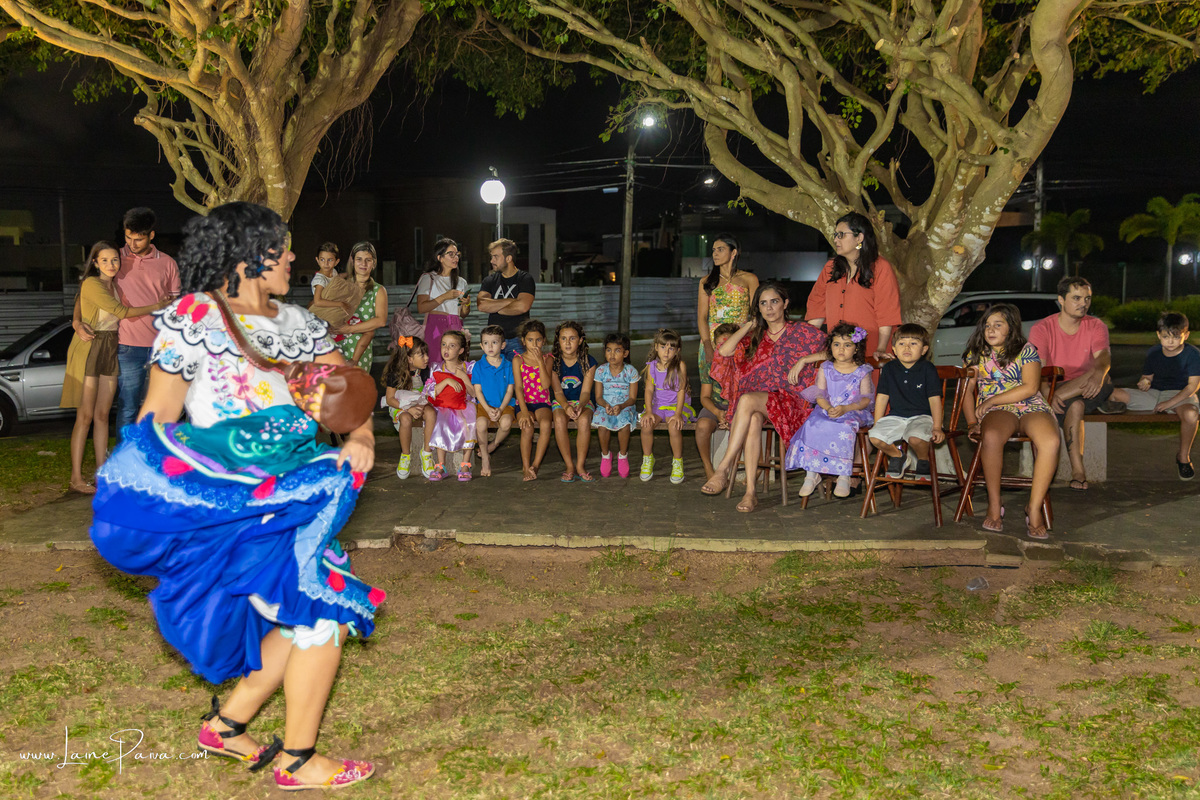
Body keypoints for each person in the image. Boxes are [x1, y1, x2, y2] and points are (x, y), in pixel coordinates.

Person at [89, 202, 380, 791]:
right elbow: (158, 416)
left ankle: (227, 726)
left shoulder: (301, 324)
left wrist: (364, 433)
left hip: (296, 498)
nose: (295, 257)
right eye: (285, 247)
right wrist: (149, 489)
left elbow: (348, 389)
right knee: (322, 614)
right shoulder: (196, 316)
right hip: (236, 504)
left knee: (306, 617)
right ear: (252, 255)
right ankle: (298, 761)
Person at [701, 282, 826, 511]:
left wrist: (804, 360)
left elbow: (835, 349)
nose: (769, 308)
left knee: (747, 401)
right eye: (763, 303)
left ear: (785, 303)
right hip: (762, 403)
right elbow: (725, 351)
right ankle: (750, 493)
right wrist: (749, 324)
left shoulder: (801, 332)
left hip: (792, 401)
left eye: (774, 301)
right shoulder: (754, 337)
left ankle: (723, 469)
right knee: (753, 418)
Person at [60, 241, 170, 493]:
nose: (111, 264)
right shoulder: (92, 283)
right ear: (95, 263)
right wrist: (157, 306)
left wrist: (76, 320)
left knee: (102, 416)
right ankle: (76, 479)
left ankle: (103, 475)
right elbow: (119, 311)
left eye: (115, 260)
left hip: (111, 346)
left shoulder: (114, 284)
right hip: (91, 347)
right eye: (105, 260)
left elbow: (78, 304)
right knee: (85, 416)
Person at [73, 207, 180, 435]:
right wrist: (76, 321)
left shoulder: (168, 263)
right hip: (127, 346)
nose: (132, 244)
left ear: (151, 235)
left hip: (162, 347)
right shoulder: (114, 258)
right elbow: (87, 290)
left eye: (138, 239)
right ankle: (125, 457)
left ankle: (154, 455)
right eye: (128, 237)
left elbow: (176, 304)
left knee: (160, 407)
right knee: (128, 406)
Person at [961, 303, 1058, 540]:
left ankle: (1033, 508)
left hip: (1030, 404)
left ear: (1011, 328)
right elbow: (966, 391)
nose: (990, 330)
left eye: (998, 325)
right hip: (999, 411)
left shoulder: (1026, 350)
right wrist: (972, 421)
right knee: (991, 436)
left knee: (1051, 440)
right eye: (987, 325)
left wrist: (992, 400)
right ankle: (995, 504)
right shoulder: (976, 353)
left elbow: (1030, 387)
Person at [1028, 276, 1125, 490]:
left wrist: (1098, 372)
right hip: (1058, 385)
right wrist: (1048, 394)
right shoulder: (1042, 328)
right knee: (1076, 405)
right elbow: (1040, 371)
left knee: (1096, 372)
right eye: (1077, 298)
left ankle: (1091, 396)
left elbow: (1102, 358)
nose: (1084, 303)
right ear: (1061, 300)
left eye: (1087, 298)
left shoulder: (1096, 325)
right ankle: (1078, 470)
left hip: (1093, 383)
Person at [788, 323, 876, 498]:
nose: (841, 349)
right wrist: (827, 407)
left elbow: (866, 398)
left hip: (852, 411)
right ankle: (812, 474)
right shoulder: (826, 368)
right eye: (836, 344)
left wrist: (846, 408)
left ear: (856, 349)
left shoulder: (862, 371)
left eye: (847, 345)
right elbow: (819, 393)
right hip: (827, 408)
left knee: (844, 428)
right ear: (830, 348)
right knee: (814, 424)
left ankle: (844, 475)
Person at [1109, 311, 1200, 479]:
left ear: (1185, 336)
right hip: (1154, 394)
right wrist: (1144, 382)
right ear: (1158, 335)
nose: (1170, 342)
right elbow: (1147, 377)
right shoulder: (1154, 352)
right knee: (1113, 393)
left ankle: (1183, 457)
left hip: (1180, 395)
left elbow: (1192, 387)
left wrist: (1170, 403)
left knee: (1191, 414)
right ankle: (1111, 407)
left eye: (1175, 337)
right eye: (1166, 337)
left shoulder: (1193, 354)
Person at [805, 211, 902, 361]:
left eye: (841, 234)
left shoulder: (881, 267)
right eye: (835, 235)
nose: (836, 239)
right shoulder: (830, 268)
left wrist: (881, 348)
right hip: (838, 353)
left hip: (871, 352)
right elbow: (816, 310)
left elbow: (887, 314)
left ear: (859, 237)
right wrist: (804, 347)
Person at [869, 323, 946, 479]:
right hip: (896, 416)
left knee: (915, 438)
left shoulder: (927, 369)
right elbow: (882, 397)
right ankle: (898, 456)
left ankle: (924, 460)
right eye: (902, 344)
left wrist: (937, 426)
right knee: (875, 436)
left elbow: (935, 400)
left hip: (922, 416)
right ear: (894, 349)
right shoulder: (889, 369)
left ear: (924, 350)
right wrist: (878, 422)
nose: (907, 348)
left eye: (913, 343)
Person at [697, 234, 757, 395]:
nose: (715, 254)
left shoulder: (749, 279)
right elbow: (702, 317)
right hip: (713, 339)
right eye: (714, 250)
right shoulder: (706, 281)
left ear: (733, 252)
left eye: (720, 249)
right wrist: (708, 345)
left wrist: (752, 341)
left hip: (741, 338)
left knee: (741, 383)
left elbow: (757, 314)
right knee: (714, 384)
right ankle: (717, 414)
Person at [639, 328, 695, 484]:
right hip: (657, 406)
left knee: (674, 427)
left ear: (677, 351)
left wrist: (677, 414)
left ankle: (677, 462)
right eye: (663, 347)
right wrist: (649, 412)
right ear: (656, 347)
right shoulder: (652, 366)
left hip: (677, 406)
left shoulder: (680, 366)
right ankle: (647, 458)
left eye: (671, 348)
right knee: (646, 424)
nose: (666, 351)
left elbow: (681, 391)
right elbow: (649, 389)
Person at [420, 330, 476, 482]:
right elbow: (428, 392)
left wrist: (463, 378)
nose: (446, 349)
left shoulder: (469, 367)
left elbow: (475, 393)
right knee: (441, 421)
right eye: (444, 345)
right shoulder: (436, 368)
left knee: (471, 422)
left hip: (463, 405)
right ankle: (440, 465)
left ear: (461, 350)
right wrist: (446, 382)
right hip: (443, 405)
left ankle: (465, 464)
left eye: (452, 346)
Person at [550, 320, 598, 482]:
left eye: (572, 338)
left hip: (583, 401)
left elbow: (585, 391)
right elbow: (557, 391)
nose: (567, 343)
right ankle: (569, 465)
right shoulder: (554, 362)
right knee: (558, 419)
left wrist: (580, 406)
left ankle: (580, 466)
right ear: (558, 341)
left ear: (580, 340)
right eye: (563, 338)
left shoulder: (588, 362)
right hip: (561, 400)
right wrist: (565, 406)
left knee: (584, 420)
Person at [696, 323, 741, 480]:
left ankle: (735, 469)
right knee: (702, 426)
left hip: (739, 407)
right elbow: (704, 397)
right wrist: (717, 412)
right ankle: (708, 468)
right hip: (715, 406)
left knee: (744, 426)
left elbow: (747, 396)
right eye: (722, 344)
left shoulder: (742, 364)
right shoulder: (709, 364)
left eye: (731, 343)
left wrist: (730, 415)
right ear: (715, 345)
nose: (726, 348)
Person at [334, 242, 389, 370]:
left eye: (368, 260)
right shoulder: (341, 285)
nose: (363, 264)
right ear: (352, 261)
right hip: (336, 345)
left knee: (358, 388)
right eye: (359, 259)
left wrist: (348, 329)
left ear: (374, 263)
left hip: (360, 351)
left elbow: (380, 321)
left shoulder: (378, 290)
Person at [382, 335, 430, 480]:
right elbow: (390, 399)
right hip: (399, 405)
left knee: (432, 413)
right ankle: (405, 455)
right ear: (409, 359)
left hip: (419, 402)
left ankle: (426, 454)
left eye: (426, 354)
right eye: (421, 355)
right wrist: (408, 409)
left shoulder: (425, 371)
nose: (426, 358)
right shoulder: (396, 373)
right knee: (405, 419)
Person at [592, 332, 640, 478]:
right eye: (608, 350)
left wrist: (621, 406)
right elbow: (598, 397)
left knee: (624, 425)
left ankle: (623, 455)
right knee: (602, 426)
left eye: (617, 350)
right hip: (604, 405)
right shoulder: (601, 371)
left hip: (625, 406)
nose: (612, 354)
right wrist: (606, 405)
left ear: (625, 353)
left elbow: (632, 398)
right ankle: (606, 455)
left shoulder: (631, 371)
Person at [477, 238, 536, 355]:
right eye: (491, 257)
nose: (491, 261)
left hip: (517, 340)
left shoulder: (525, 279)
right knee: (494, 373)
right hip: (493, 340)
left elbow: (523, 306)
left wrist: (495, 307)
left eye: (496, 257)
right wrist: (511, 301)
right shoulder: (489, 280)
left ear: (508, 258)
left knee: (516, 373)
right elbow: (482, 305)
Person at [512, 319, 555, 481]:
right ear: (524, 341)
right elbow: (518, 388)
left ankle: (535, 465)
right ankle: (525, 466)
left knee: (545, 424)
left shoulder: (548, 359)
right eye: (530, 340)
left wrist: (539, 362)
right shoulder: (518, 360)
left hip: (542, 401)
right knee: (527, 427)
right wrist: (523, 411)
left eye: (538, 340)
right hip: (524, 403)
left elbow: (545, 385)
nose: (534, 344)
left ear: (543, 340)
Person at [472, 325, 517, 477]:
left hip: (505, 405)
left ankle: (494, 444)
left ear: (503, 345)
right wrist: (488, 408)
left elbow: (510, 390)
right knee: (480, 424)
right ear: (481, 345)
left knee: (505, 424)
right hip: (485, 405)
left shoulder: (509, 366)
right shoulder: (478, 366)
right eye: (486, 343)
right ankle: (485, 456)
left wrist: (500, 408)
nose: (490, 346)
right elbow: (477, 391)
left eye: (494, 342)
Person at [416, 237, 471, 360]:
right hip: (436, 324)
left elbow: (463, 314)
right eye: (451, 254)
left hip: (455, 324)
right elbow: (421, 307)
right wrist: (445, 297)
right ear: (439, 257)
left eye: (457, 254)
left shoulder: (461, 282)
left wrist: (466, 304)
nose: (455, 258)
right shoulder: (428, 278)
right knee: (435, 362)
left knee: (456, 364)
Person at [308, 242, 354, 325]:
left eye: (330, 260)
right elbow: (317, 301)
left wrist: (349, 273)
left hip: (333, 307)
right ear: (317, 260)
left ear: (336, 262)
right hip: (323, 313)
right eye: (322, 260)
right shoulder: (320, 280)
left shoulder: (333, 271)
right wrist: (340, 304)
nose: (326, 263)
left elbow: (337, 279)